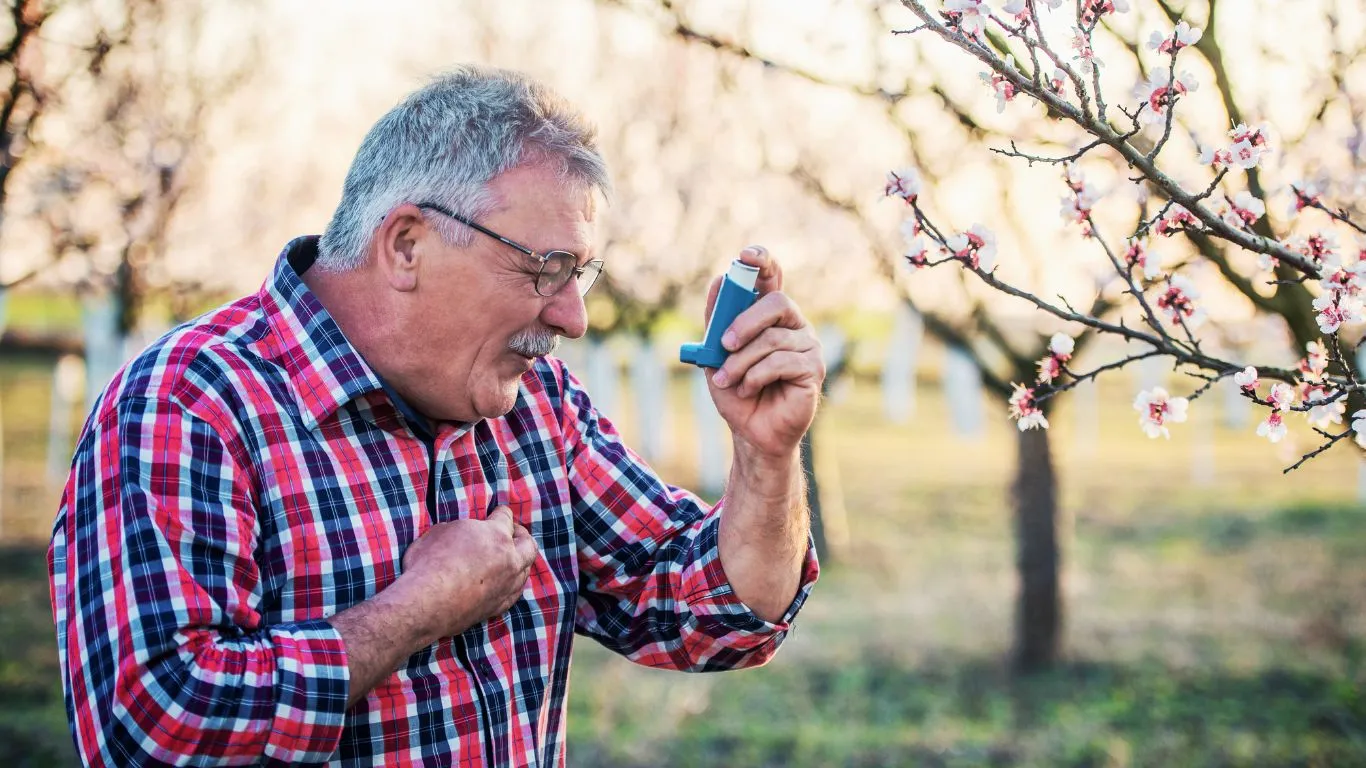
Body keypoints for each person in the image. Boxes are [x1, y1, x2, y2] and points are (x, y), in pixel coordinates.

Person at [48, 64, 823, 767]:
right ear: (408, 245)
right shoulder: (189, 404)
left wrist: (766, 456)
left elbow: (712, 613)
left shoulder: (536, 407)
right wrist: (414, 612)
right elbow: (153, 731)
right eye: (545, 269)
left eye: (580, 272)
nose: (573, 317)